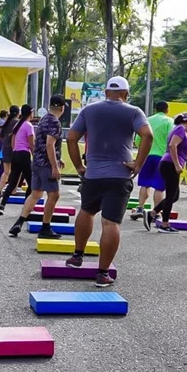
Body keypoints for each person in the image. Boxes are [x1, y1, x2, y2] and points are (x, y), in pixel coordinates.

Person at [65, 76, 153, 287]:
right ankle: (102, 273)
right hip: (119, 174)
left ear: (105, 92)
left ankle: (77, 256)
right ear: (126, 93)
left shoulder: (89, 110)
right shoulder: (134, 111)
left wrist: (79, 166)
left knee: (86, 212)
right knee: (110, 222)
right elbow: (147, 135)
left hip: (93, 175)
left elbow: (70, 138)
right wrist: (138, 164)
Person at [7, 95, 67, 239]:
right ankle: (45, 227)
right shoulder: (55, 122)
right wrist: (54, 166)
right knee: (54, 194)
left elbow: (41, 143)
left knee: (36, 194)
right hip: (46, 164)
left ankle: (19, 222)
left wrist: (59, 158)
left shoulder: (44, 119)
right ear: (62, 108)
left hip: (37, 162)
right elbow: (49, 144)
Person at [148, 112, 187, 234]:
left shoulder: (177, 129)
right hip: (170, 165)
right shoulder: (181, 129)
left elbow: (180, 149)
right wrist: (177, 164)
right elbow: (172, 146)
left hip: (168, 163)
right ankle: (165, 224)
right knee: (170, 195)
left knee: (174, 195)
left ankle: (153, 213)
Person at [131, 101, 172, 221]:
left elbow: (138, 139)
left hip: (147, 156)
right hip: (162, 157)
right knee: (159, 187)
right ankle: (156, 211)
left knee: (145, 183)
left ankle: (140, 207)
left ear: (155, 109)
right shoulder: (169, 121)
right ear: (167, 110)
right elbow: (172, 139)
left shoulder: (147, 120)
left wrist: (143, 150)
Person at [0, 105, 35, 216]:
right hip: (24, 155)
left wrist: (15, 151)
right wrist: (35, 156)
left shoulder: (18, 125)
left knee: (12, 182)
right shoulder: (28, 125)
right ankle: (26, 208)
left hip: (16, 154)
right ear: (30, 113)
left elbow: (13, 141)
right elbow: (31, 144)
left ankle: (2, 205)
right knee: (31, 183)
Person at [0, 105, 20, 198]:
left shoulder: (7, 122)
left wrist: (5, 142)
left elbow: (0, 135)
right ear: (18, 113)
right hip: (14, 148)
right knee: (16, 171)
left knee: (6, 172)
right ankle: (13, 190)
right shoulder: (17, 122)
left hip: (5, 148)